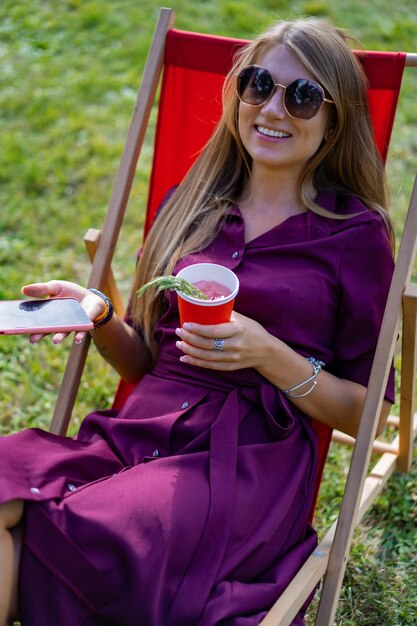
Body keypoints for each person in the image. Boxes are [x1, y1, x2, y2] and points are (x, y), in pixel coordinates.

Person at [0, 16, 395, 626]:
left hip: (242, 461)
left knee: (77, 529)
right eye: (258, 83)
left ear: (333, 121)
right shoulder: (190, 204)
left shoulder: (354, 238)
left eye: (303, 95)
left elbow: (364, 414)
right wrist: (99, 312)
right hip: (138, 431)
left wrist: (266, 352)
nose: (273, 107)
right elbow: (144, 360)